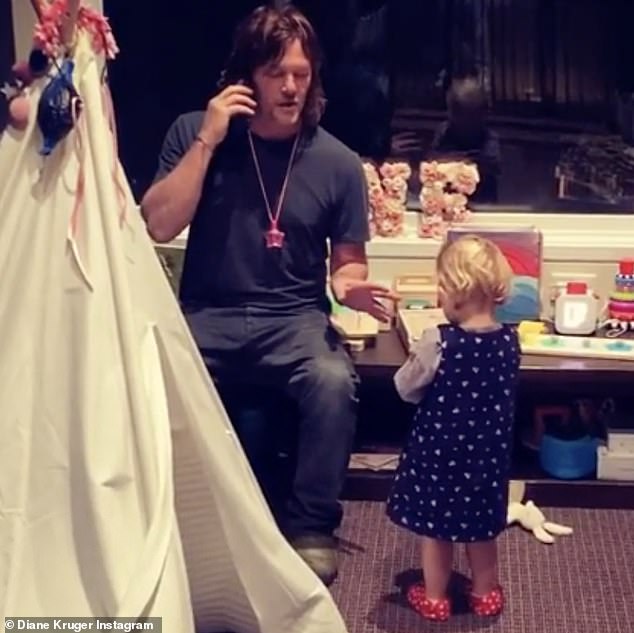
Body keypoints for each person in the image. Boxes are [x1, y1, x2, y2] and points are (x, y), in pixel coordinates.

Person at [140, 4, 397, 586]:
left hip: (293, 319)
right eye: (276, 73)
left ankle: (310, 527)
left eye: (301, 74)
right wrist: (208, 140)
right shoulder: (195, 133)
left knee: (332, 381)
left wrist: (350, 288)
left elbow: (347, 266)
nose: (290, 87)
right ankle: (161, 517)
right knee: (146, 371)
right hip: (208, 314)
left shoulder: (337, 163)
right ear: (247, 77)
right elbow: (157, 224)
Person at [385, 235, 521, 621]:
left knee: (437, 530)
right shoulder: (510, 340)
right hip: (487, 459)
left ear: (456, 292)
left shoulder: (439, 340)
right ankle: (484, 593)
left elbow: (405, 388)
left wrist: (416, 358)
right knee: (482, 529)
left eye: (441, 288)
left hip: (440, 457)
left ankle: (434, 597)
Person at [430, 77, 501, 203]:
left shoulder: (489, 139)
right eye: (456, 114)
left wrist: (453, 163)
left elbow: (489, 165)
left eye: (470, 117)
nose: (464, 123)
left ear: (482, 116)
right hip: (445, 203)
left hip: (482, 205)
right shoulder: (444, 132)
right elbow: (434, 164)